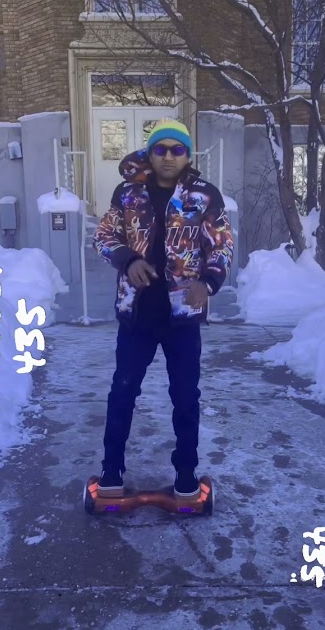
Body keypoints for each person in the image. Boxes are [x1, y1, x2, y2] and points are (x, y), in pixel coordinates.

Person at [92, 118, 235, 499]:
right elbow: (104, 235)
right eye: (160, 149)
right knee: (122, 392)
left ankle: (186, 476)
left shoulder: (204, 196)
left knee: (186, 396)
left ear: (187, 155)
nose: (168, 156)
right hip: (136, 316)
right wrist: (127, 260)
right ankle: (111, 474)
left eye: (177, 149)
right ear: (150, 154)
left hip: (182, 318)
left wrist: (208, 283)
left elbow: (221, 245)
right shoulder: (127, 194)